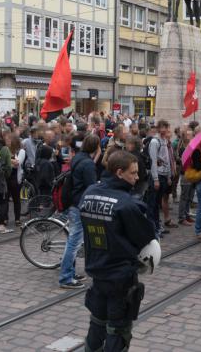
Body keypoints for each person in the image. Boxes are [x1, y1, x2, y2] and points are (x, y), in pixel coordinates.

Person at [79, 150, 156, 352]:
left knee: (97, 321)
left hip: (97, 271)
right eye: (133, 173)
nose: (137, 177)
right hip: (120, 276)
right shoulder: (128, 204)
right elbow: (146, 235)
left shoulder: (89, 193)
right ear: (119, 173)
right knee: (118, 329)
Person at [58, 133, 100, 289]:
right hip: (79, 204)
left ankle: (70, 271)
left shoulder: (78, 158)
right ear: (96, 147)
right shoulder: (87, 163)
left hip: (73, 201)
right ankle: (65, 278)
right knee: (74, 243)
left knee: (73, 241)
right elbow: (91, 186)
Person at [148, 120, 177, 232]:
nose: (167, 130)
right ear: (160, 128)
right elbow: (153, 161)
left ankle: (157, 225)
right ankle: (152, 227)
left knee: (158, 202)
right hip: (158, 176)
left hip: (164, 176)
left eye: (167, 127)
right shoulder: (155, 142)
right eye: (165, 128)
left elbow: (168, 160)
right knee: (153, 204)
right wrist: (155, 179)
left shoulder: (165, 140)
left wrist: (169, 176)